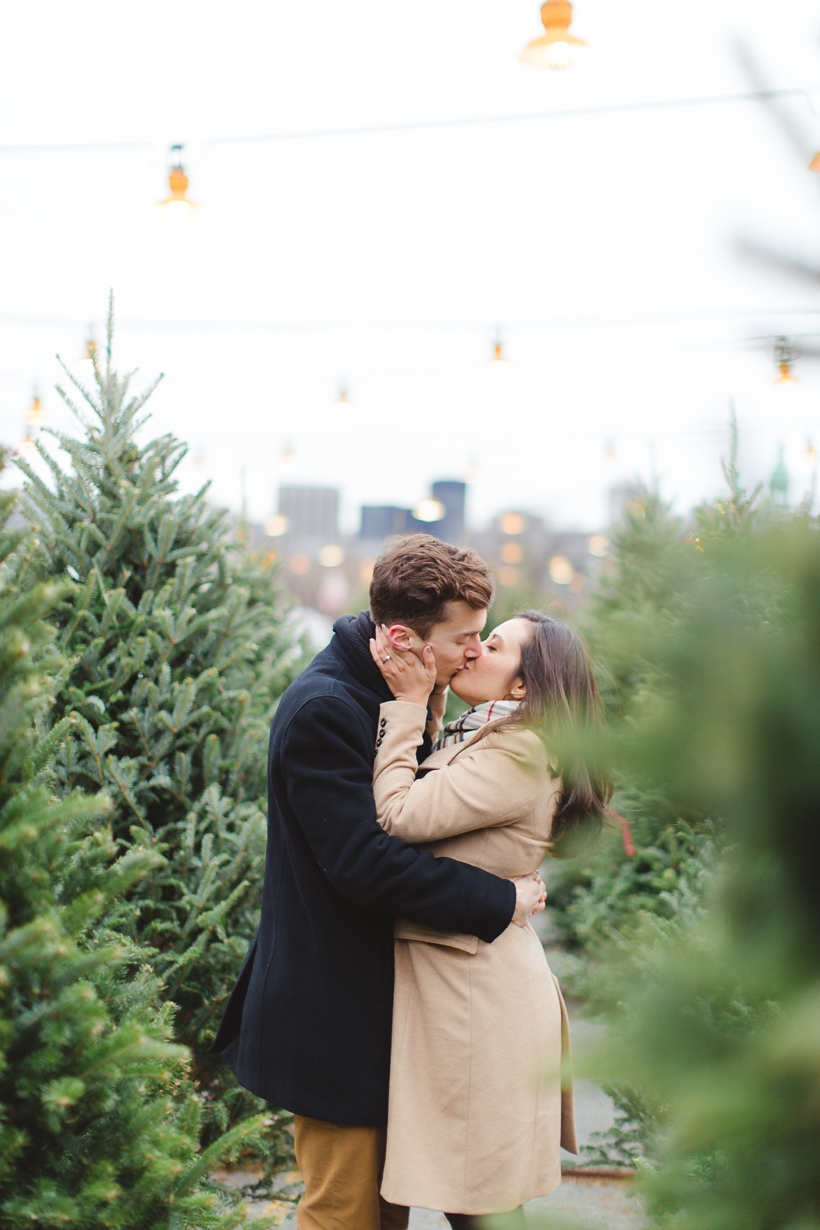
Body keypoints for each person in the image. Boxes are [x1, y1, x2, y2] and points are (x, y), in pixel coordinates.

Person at [211, 535, 547, 1230]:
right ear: (402, 638)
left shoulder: (405, 693)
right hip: (335, 1016)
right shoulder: (326, 709)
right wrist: (500, 900)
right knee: (344, 1213)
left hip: (398, 1015)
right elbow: (365, 862)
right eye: (465, 638)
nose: (474, 652)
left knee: (389, 1214)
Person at [367, 611, 612, 1229]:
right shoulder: (487, 732)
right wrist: (436, 696)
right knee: (462, 1189)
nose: (473, 649)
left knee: (479, 1200)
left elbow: (399, 814)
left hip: (477, 1001)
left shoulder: (522, 750)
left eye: (492, 645)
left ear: (525, 685)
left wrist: (407, 702)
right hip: (458, 982)